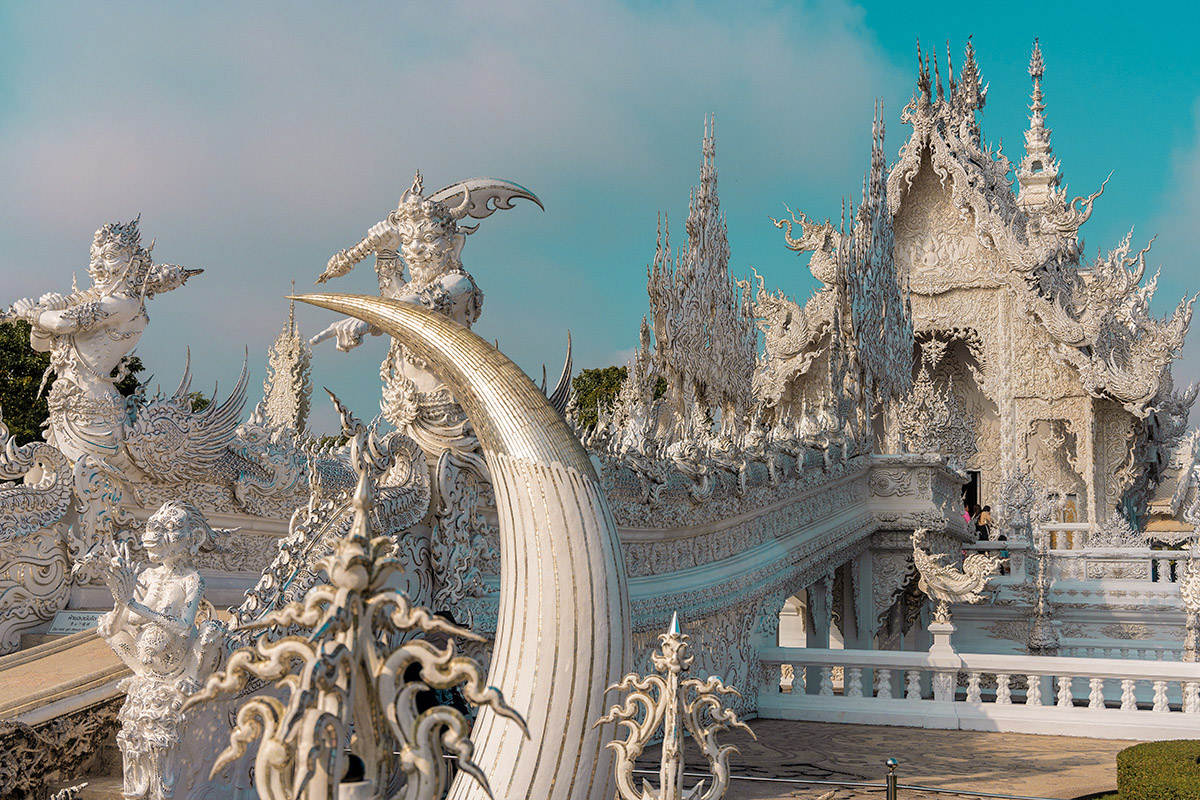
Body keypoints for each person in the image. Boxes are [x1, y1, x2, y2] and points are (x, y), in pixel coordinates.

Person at [8, 219, 198, 464]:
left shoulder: (125, 305)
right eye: (94, 256)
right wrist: (42, 318)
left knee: (87, 491)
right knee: (41, 483)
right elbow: (40, 345)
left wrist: (32, 313)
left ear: (133, 264)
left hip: (94, 416)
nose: (97, 265)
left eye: (109, 256)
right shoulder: (88, 301)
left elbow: (61, 324)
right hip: (60, 414)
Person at [95, 500, 226, 800]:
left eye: (170, 530)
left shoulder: (192, 580)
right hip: (146, 666)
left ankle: (190, 678)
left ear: (192, 540)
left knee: (210, 631)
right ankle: (142, 675)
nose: (157, 537)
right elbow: (122, 625)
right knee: (108, 628)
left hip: (179, 663)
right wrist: (119, 603)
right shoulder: (148, 577)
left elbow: (182, 627)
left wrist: (135, 605)